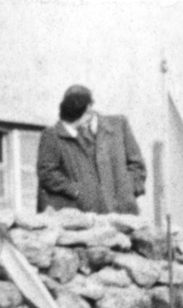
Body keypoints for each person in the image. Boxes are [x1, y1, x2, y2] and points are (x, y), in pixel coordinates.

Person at [36, 85, 146, 215]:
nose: (75, 126)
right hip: (87, 216)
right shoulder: (56, 133)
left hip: (123, 213)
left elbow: (137, 165)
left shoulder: (119, 125)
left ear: (89, 109)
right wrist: (77, 192)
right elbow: (47, 173)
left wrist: (127, 191)